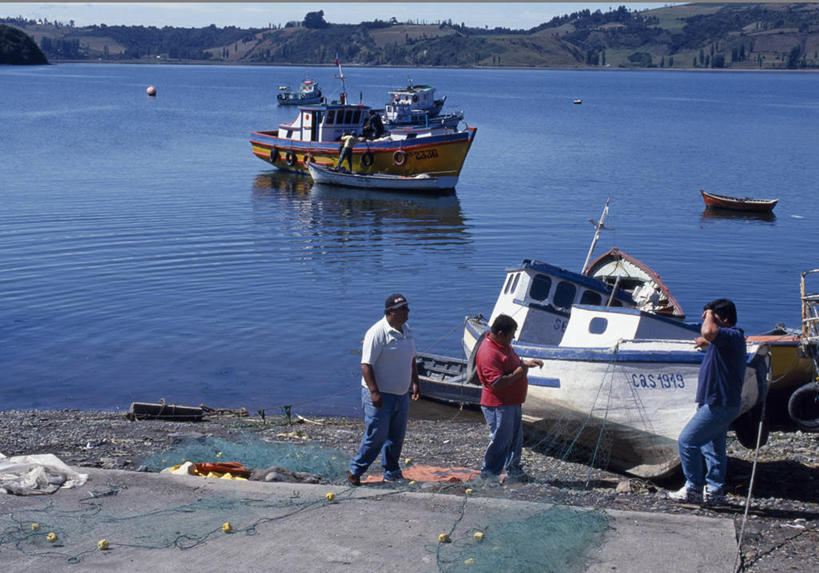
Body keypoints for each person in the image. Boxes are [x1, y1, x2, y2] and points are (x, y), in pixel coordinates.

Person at [669, 298, 746, 505]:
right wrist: (706, 341)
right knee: (713, 449)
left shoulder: (731, 335)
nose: (708, 321)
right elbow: (710, 336)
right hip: (719, 402)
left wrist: (710, 314)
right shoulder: (727, 339)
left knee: (687, 441)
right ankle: (714, 491)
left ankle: (693, 488)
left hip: (718, 403)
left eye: (713, 318)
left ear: (725, 320)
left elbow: (709, 332)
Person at [347, 294, 421, 486]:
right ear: (390, 312)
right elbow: (366, 365)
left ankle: (392, 471)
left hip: (401, 393)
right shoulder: (377, 333)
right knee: (377, 435)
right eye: (402, 309)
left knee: (396, 436)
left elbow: (411, 358)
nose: (406, 312)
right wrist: (374, 392)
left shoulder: (407, 330)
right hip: (381, 394)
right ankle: (356, 470)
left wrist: (415, 382)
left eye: (406, 308)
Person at [474, 314, 543, 482]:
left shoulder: (503, 345)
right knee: (500, 440)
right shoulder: (489, 353)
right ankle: (489, 474)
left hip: (512, 402)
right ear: (500, 333)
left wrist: (525, 364)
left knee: (515, 439)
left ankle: (514, 471)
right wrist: (519, 373)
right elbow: (496, 383)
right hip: (499, 404)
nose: (513, 337)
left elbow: (510, 363)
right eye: (511, 334)